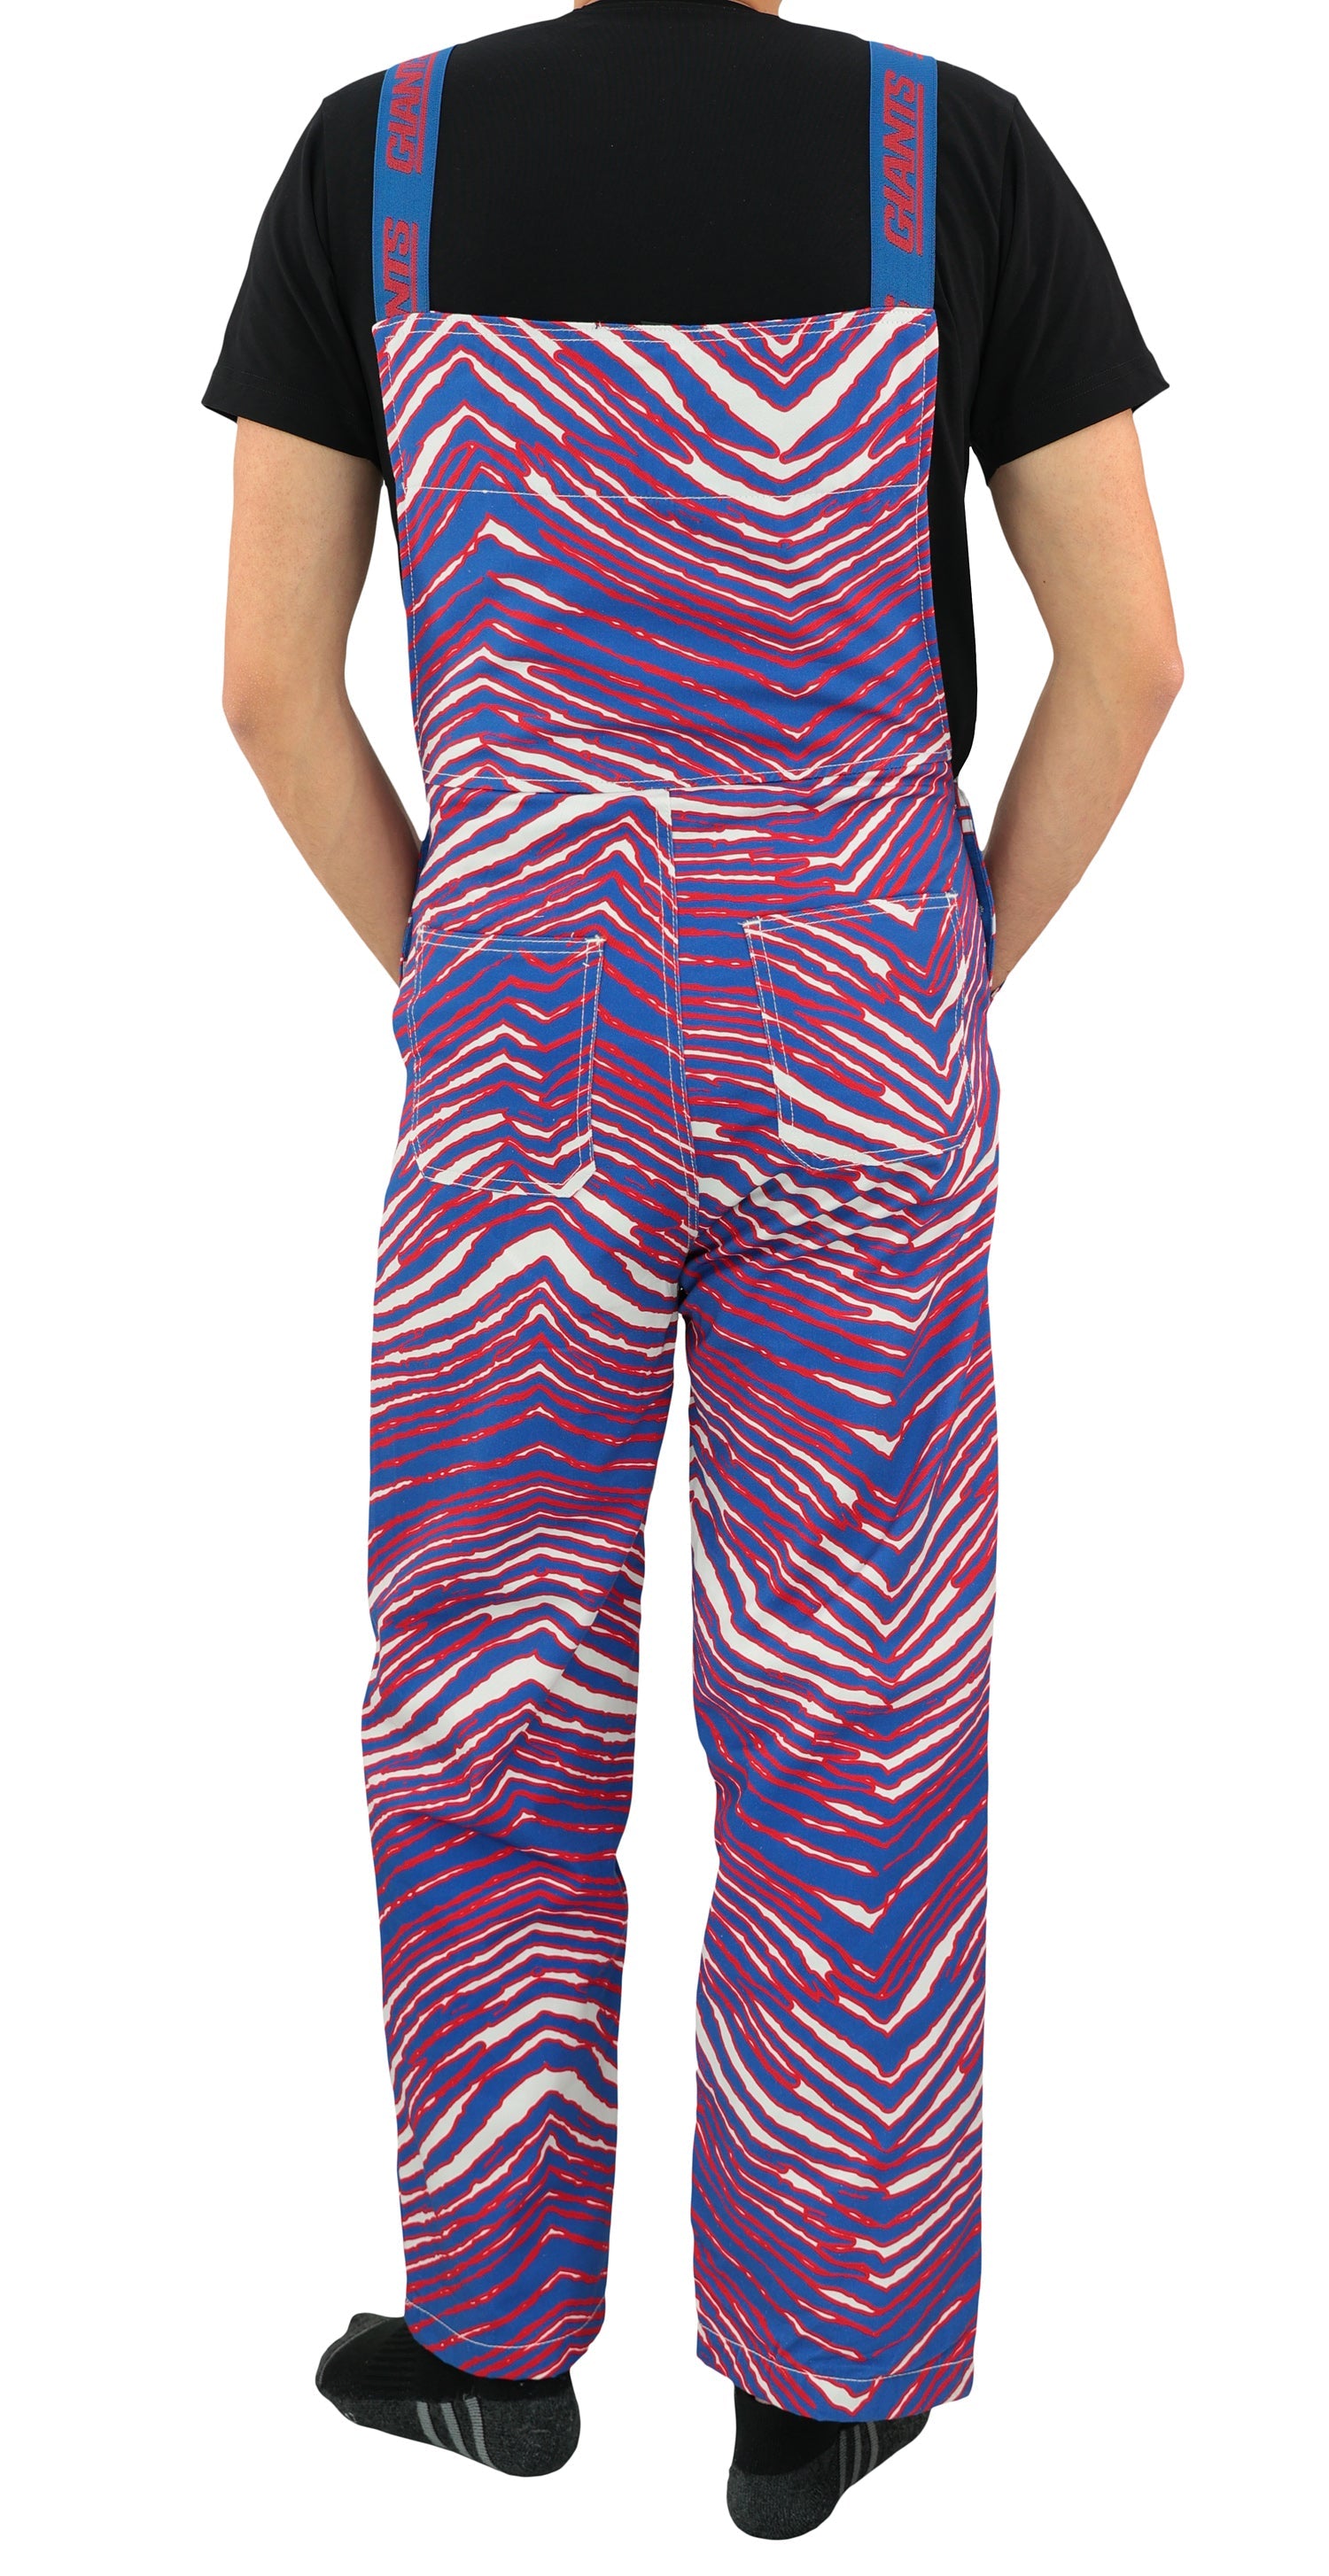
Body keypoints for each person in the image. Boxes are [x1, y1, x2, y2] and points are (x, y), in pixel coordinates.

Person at [207, 1, 1180, 2539]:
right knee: (860, 1709)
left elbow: (264, 685)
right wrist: (933, 975)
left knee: (486, 1693)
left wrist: (472, 968)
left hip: (521, 1041)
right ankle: (825, 2377)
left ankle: (490, 2341)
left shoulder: (376, 157)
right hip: (862, 1031)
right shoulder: (951, 153)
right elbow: (1135, 660)